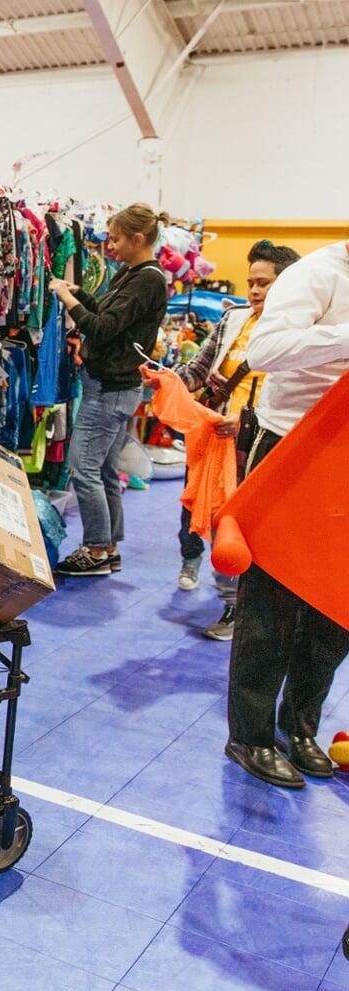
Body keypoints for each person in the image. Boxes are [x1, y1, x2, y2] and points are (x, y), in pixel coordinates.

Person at [223, 237, 349, 789]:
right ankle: (249, 735)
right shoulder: (319, 272)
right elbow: (265, 350)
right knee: (272, 600)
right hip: (293, 448)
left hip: (344, 453)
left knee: (336, 602)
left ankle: (299, 726)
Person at [167, 240, 300, 639]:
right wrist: (167, 379)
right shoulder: (233, 319)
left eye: (265, 283)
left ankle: (241, 608)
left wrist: (243, 418)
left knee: (245, 527)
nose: (255, 291)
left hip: (266, 442)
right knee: (205, 515)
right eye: (251, 282)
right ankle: (219, 590)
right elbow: (199, 368)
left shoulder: (301, 332)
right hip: (219, 442)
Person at [48, 204, 170, 577]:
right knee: (102, 469)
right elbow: (110, 316)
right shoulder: (134, 274)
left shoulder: (147, 279)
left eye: (116, 238)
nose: (110, 245)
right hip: (116, 385)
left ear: (137, 239)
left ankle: (97, 548)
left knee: (82, 469)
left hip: (110, 388)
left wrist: (68, 301)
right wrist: (81, 293)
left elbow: (101, 329)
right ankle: (109, 546)